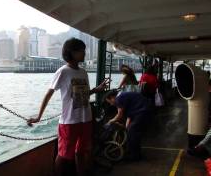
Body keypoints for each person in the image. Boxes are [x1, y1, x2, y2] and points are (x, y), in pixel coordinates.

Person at [27, 38, 108, 176]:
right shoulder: (63, 71)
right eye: (81, 51)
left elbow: (84, 94)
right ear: (72, 52)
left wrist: (96, 89)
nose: (84, 53)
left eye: (84, 50)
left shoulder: (83, 72)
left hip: (86, 118)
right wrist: (39, 116)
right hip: (69, 121)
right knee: (64, 156)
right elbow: (49, 94)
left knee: (81, 152)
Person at [105, 90, 149, 161]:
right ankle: (133, 153)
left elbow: (119, 115)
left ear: (112, 97)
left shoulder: (119, 98)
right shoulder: (123, 95)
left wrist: (110, 121)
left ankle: (135, 156)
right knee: (131, 131)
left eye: (110, 102)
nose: (111, 104)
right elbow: (129, 115)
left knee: (133, 132)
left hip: (142, 111)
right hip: (142, 110)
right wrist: (126, 127)